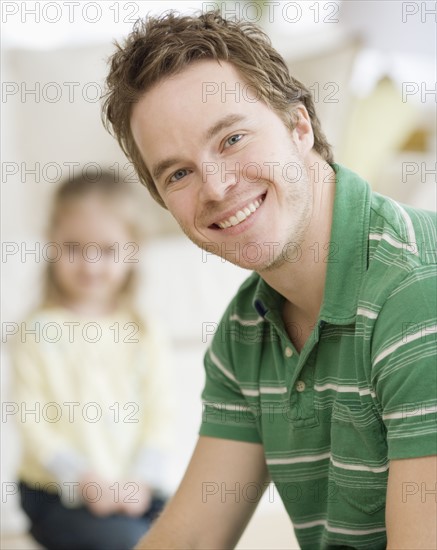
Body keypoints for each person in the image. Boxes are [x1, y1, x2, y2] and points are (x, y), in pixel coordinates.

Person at [101, 10, 437, 550]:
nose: (214, 186)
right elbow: (190, 538)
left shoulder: (416, 292)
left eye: (232, 138)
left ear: (299, 126)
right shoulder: (247, 328)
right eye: (178, 173)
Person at [10, 173, 173, 550]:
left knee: (189, 535)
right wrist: (83, 480)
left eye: (107, 249)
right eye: (73, 247)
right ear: (52, 244)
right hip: (55, 493)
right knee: (127, 544)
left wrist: (141, 480)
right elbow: (31, 419)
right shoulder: (37, 330)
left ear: (133, 250)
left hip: (134, 487)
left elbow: (160, 414)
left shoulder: (144, 330)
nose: (90, 263)